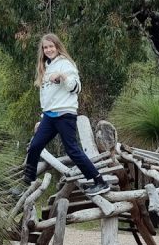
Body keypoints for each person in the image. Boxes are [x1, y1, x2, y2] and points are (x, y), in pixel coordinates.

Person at [18, 33, 110, 196]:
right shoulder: (46, 66)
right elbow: (48, 97)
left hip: (65, 114)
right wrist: (42, 118)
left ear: (57, 46)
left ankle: (100, 182)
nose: (48, 50)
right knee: (35, 146)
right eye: (45, 47)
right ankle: (27, 183)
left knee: (72, 150)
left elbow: (76, 88)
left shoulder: (66, 64)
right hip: (49, 116)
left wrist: (62, 76)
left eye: (51, 46)